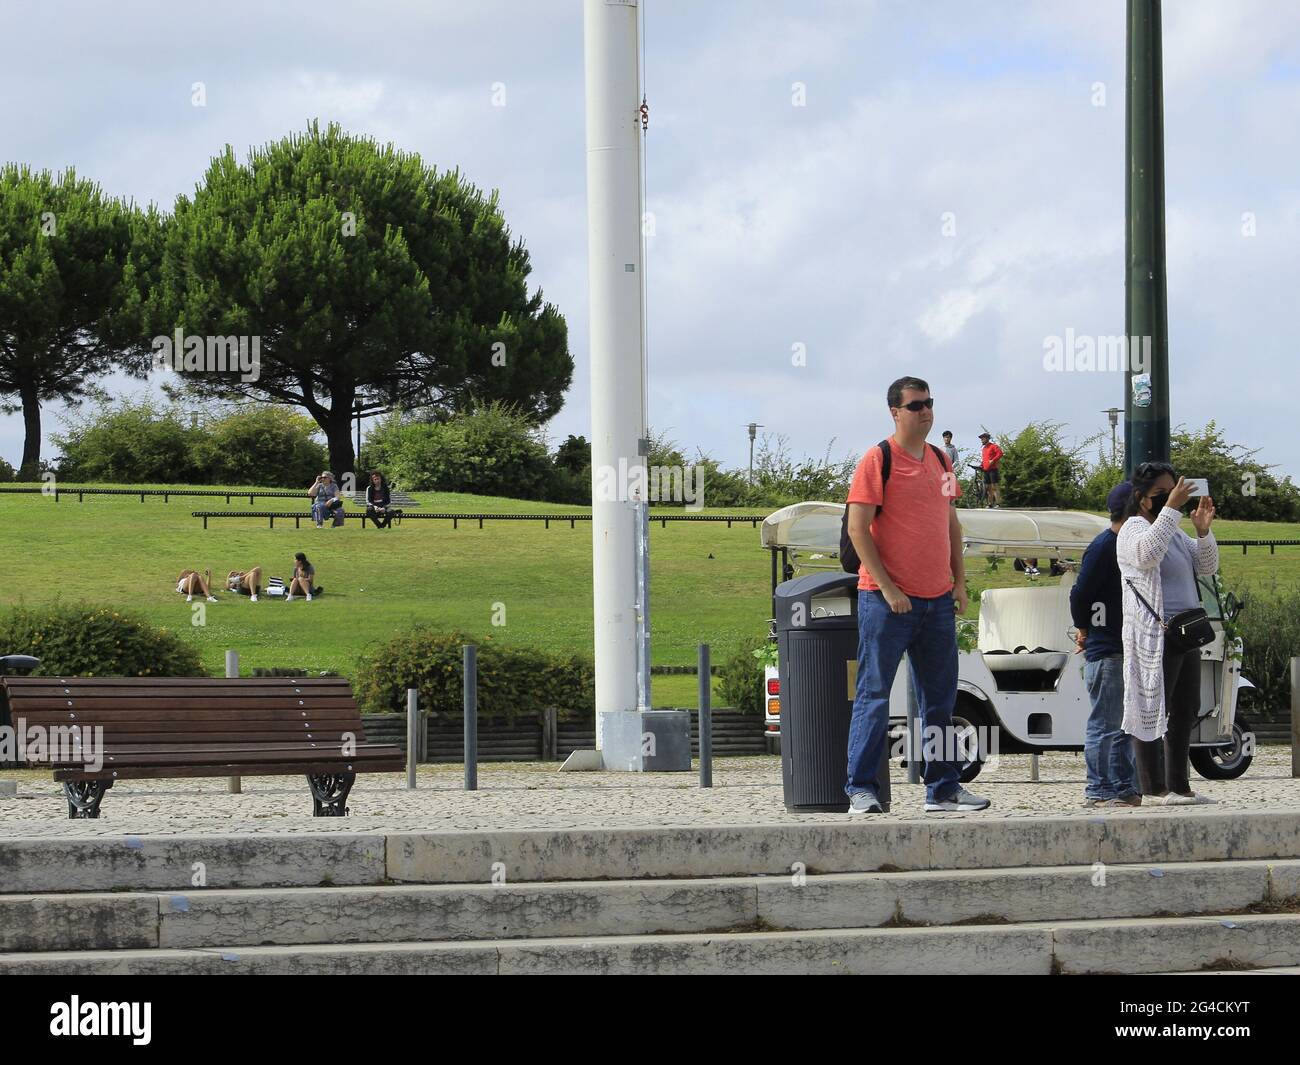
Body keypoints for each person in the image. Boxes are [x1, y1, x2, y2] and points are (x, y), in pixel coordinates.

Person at [843, 376, 990, 814]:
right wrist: (889, 588)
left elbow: (951, 525)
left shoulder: (942, 462)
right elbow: (857, 528)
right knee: (873, 694)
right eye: (916, 405)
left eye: (929, 403)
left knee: (940, 700)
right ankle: (861, 789)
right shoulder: (878, 459)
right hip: (886, 602)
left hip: (937, 601)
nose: (925, 411)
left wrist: (959, 583)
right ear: (895, 411)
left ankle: (943, 788)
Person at [1117, 463, 1219, 805]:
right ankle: (1154, 787)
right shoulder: (1132, 529)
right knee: (1150, 707)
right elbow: (1146, 555)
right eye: (1162, 493)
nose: (1171, 497)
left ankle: (1180, 785)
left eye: (1174, 490)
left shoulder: (1172, 530)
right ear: (1142, 499)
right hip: (1154, 633)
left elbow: (1206, 567)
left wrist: (1203, 532)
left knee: (1185, 708)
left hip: (1184, 632)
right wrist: (1172, 510)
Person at [1069, 482, 1139, 808]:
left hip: (1115, 649)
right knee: (1106, 725)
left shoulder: (1116, 544)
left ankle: (1122, 787)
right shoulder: (1104, 546)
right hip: (1108, 649)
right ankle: (1099, 790)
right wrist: (1084, 628)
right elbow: (1080, 593)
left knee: (1121, 726)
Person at [978, 431, 1003, 507]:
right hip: (986, 470)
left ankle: (998, 503)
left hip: (993, 469)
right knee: (988, 488)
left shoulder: (993, 446)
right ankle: (990, 503)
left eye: (983, 438)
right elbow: (985, 459)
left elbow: (1000, 453)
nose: (981, 440)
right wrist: (981, 464)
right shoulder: (984, 449)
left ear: (987, 439)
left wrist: (993, 460)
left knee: (994, 486)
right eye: (981, 439)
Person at [940, 431, 960, 505]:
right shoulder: (941, 448)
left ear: (950, 438)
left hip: (950, 470)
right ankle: (943, 504)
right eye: (945, 437)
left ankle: (952, 504)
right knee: (943, 487)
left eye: (948, 437)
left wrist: (951, 467)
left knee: (951, 487)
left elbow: (957, 461)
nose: (946, 439)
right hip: (942, 470)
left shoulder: (953, 449)